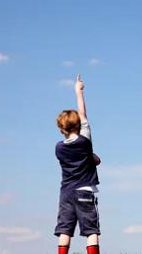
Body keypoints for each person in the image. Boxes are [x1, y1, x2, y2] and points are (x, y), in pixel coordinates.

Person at [54, 74, 101, 254]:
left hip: (66, 193)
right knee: (91, 230)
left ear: (61, 129)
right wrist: (78, 91)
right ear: (79, 125)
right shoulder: (84, 141)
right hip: (84, 191)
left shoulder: (58, 148)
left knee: (65, 229)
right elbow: (83, 114)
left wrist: (91, 158)